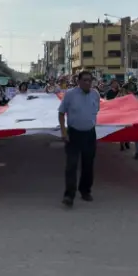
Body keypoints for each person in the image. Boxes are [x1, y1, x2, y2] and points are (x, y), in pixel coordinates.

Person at [57, 70, 101, 208]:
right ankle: (69, 195)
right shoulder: (70, 94)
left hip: (89, 134)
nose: (88, 83)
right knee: (71, 165)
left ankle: (85, 190)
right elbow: (61, 113)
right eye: (85, 80)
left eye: (90, 80)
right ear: (78, 81)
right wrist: (64, 132)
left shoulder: (95, 94)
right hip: (73, 134)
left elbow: (95, 111)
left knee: (88, 165)